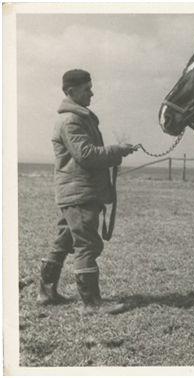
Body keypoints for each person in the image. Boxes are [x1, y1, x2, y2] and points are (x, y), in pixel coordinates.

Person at [37, 69, 136, 315]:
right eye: (86, 89)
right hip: (79, 194)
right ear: (71, 92)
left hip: (74, 192)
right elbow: (87, 156)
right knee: (87, 244)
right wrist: (116, 151)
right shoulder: (71, 120)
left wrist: (115, 154)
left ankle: (46, 292)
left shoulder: (77, 118)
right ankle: (92, 304)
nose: (91, 92)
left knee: (64, 240)